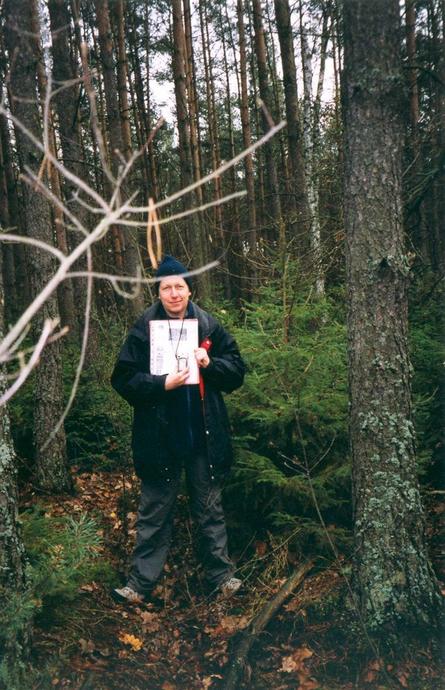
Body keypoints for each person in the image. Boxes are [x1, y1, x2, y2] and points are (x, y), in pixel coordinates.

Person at [110, 255, 246, 603]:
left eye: (179, 287)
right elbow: (123, 379)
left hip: (203, 436)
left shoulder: (209, 326)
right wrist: (161, 385)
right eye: (166, 288)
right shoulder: (143, 330)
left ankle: (222, 578)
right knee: (154, 514)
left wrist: (210, 364)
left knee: (210, 512)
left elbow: (237, 371)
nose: (173, 294)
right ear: (158, 292)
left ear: (189, 289)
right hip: (160, 440)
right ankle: (139, 585)